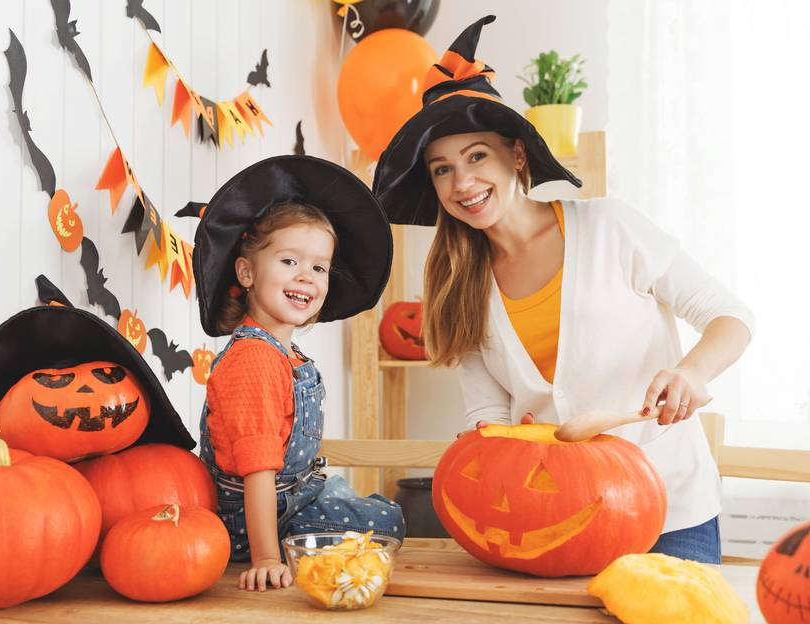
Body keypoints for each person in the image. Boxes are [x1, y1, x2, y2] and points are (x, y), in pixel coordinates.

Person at [372, 15, 754, 564]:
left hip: (669, 507)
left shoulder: (610, 227)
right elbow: (490, 419)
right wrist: (503, 448)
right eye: (442, 169)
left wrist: (692, 371)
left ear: (517, 155)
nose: (462, 184)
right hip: (554, 516)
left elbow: (731, 316)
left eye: (477, 156)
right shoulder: (461, 285)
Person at [193, 155, 405, 592]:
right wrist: (267, 557)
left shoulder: (285, 353)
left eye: (319, 267)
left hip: (294, 495)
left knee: (372, 511)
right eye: (290, 261)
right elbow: (257, 471)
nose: (306, 276)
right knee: (386, 519)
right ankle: (275, 546)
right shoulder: (254, 359)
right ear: (246, 271)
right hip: (258, 517)